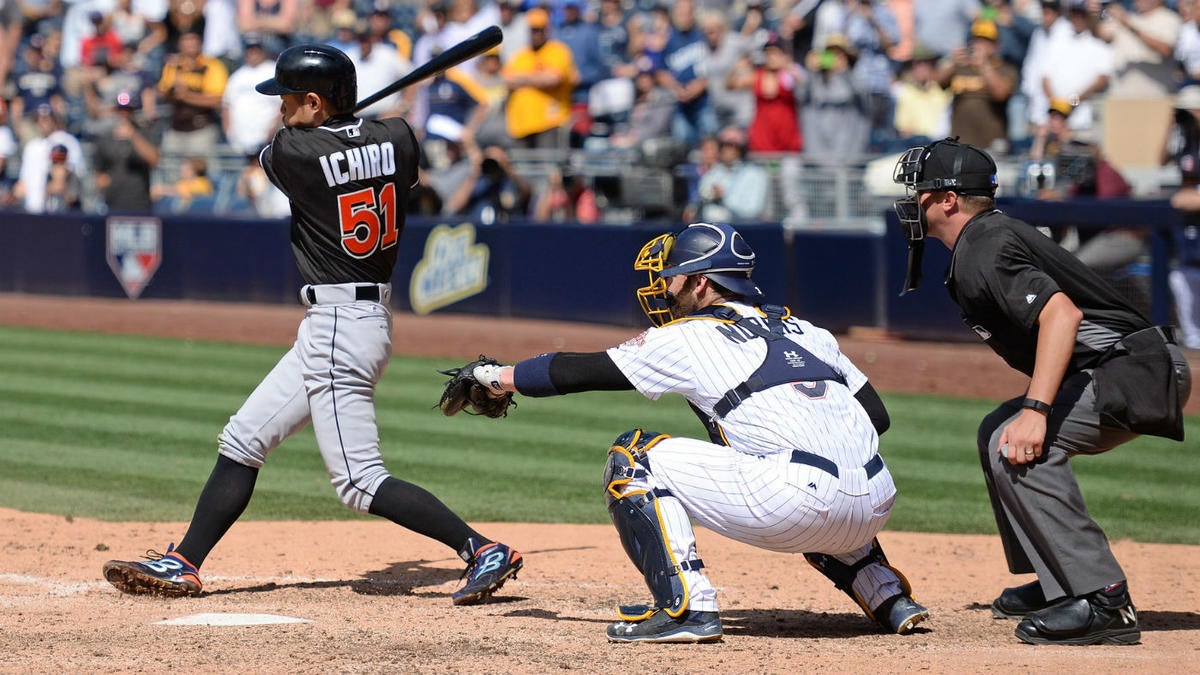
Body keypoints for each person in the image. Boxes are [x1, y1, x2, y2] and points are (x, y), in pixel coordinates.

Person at [101, 43, 524, 607]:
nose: (280, 109)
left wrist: (333, 131)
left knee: (358, 480)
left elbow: (281, 152)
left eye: (289, 100)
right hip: (356, 317)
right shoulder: (397, 136)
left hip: (337, 324)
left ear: (316, 103)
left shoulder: (293, 153)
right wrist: (347, 128)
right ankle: (185, 561)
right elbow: (387, 156)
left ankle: (480, 548)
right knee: (244, 437)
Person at [443, 221, 929, 643]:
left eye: (671, 279)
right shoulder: (808, 330)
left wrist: (496, 376)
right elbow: (876, 418)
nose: (663, 288)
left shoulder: (688, 335)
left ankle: (686, 608)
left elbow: (578, 371)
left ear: (700, 283)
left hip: (798, 505)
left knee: (633, 456)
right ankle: (886, 596)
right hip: (877, 502)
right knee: (823, 473)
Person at [890, 137, 1192, 646]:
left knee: (1017, 444)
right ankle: (1061, 582)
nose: (911, 201)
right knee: (997, 431)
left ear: (947, 200)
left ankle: (1104, 600)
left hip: (1135, 368)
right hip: (1123, 365)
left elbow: (1061, 315)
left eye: (919, 191)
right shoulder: (984, 238)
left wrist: (1036, 409)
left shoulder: (984, 244)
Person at [92, 90, 161, 213]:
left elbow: (154, 160)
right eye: (121, 110)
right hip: (112, 203)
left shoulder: (144, 133)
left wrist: (133, 135)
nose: (124, 114)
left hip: (139, 202)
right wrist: (104, 185)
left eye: (128, 110)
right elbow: (99, 170)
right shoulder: (106, 138)